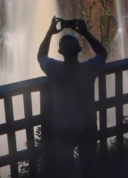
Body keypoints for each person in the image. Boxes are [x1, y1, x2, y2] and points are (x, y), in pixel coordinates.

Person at [37, 17, 107, 178]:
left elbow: (41, 55)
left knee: (65, 169)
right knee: (89, 166)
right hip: (87, 125)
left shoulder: (54, 69)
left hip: (63, 128)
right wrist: (85, 32)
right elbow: (103, 53)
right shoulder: (89, 69)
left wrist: (49, 32)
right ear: (79, 50)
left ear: (60, 53)